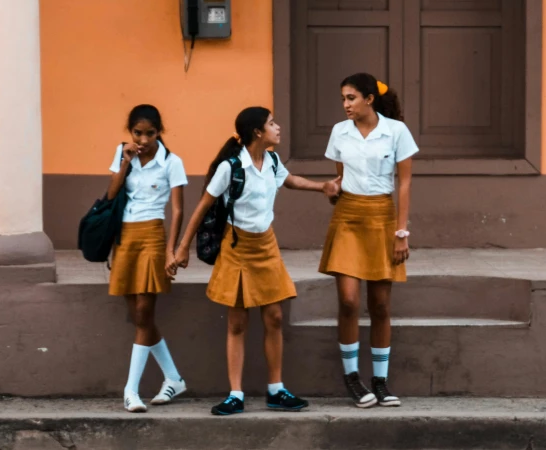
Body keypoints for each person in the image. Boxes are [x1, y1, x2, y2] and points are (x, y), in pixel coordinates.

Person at [173, 106, 341, 416]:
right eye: (272, 123)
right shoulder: (231, 167)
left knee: (274, 317)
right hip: (237, 247)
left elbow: (289, 181)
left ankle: (276, 390)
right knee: (237, 321)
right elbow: (203, 206)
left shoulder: (272, 161)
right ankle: (235, 394)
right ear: (257, 133)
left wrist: (322, 187)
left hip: (267, 246)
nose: (278, 127)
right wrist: (182, 248)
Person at [318, 73, 418, 408]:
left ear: (369, 99)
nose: (345, 105)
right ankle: (352, 378)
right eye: (343, 98)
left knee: (380, 305)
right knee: (348, 301)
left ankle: (379, 380)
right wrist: (333, 190)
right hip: (347, 217)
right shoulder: (339, 132)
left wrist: (401, 233)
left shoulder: (397, 132)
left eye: (351, 98)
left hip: (382, 219)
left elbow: (403, 184)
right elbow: (341, 178)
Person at [106, 104, 188, 413]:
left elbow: (178, 209)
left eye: (149, 133)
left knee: (144, 310)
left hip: (154, 234)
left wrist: (172, 249)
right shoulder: (123, 154)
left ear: (159, 132)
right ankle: (174, 378)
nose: (142, 139)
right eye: (137, 133)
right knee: (140, 317)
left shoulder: (171, 161)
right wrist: (125, 162)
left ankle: (131, 390)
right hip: (125, 237)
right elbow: (112, 194)